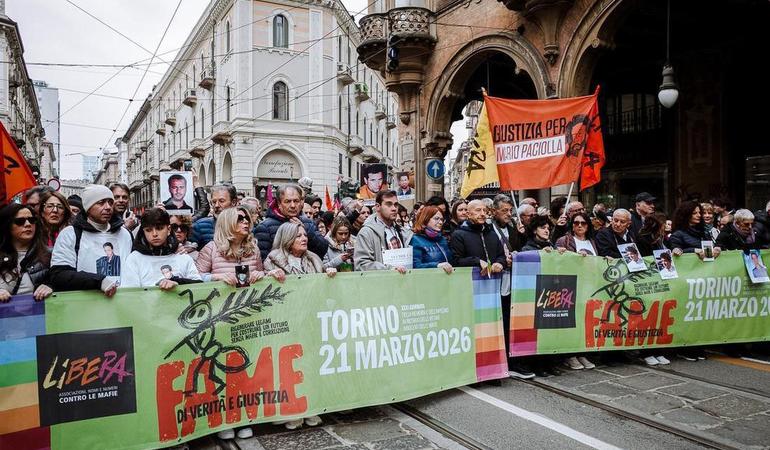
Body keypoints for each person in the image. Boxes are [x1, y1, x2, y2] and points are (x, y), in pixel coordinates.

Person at [263, 221, 332, 430]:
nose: (304, 238)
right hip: (287, 319)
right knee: (289, 367)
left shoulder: (314, 258)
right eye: (298, 235)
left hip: (311, 317)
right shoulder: (272, 260)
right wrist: (270, 277)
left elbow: (324, 288)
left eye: (304, 235)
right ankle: (291, 411)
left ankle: (311, 407)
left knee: (310, 364)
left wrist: (329, 276)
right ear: (286, 239)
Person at [49, 184, 133, 296]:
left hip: (121, 305)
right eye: (101, 202)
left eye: (110, 202)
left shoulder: (125, 234)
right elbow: (59, 275)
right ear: (88, 207)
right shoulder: (70, 234)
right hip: (85, 306)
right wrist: (98, 281)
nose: (108, 207)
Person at [196, 207, 283, 287]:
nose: (245, 221)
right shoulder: (211, 248)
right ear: (227, 223)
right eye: (240, 219)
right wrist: (217, 277)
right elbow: (196, 278)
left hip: (248, 299)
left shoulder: (253, 248)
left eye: (247, 218)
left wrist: (261, 274)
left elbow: (261, 272)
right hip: (220, 301)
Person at [121, 208, 202, 289]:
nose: (154, 234)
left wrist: (178, 283)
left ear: (169, 229)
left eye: (159, 228)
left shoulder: (183, 257)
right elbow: (130, 295)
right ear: (143, 232)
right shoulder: (134, 259)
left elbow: (199, 288)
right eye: (148, 230)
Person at [254, 184, 329, 261]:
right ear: (279, 204)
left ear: (301, 202)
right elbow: (263, 260)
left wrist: (306, 232)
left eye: (296, 201)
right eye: (287, 201)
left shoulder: (308, 222)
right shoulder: (264, 227)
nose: (293, 205)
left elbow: (322, 250)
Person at [0, 204, 53, 302]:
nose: (28, 224)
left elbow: (61, 283)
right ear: (7, 225)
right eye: (20, 221)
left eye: (32, 220)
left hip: (38, 315)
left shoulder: (50, 255)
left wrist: (50, 287)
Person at [354, 190, 412, 272]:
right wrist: (388, 269)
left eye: (396, 205)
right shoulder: (366, 232)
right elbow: (361, 264)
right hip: (380, 282)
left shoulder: (403, 232)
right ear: (378, 207)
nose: (394, 208)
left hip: (403, 281)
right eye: (389, 204)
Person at [190, 184, 237, 249]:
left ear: (233, 202)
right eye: (214, 202)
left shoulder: (243, 226)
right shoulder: (199, 226)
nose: (216, 205)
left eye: (221, 201)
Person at [411, 206, 453, 273]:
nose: (440, 222)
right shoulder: (416, 240)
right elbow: (416, 266)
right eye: (436, 218)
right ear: (426, 219)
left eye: (442, 219)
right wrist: (437, 265)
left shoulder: (442, 239)